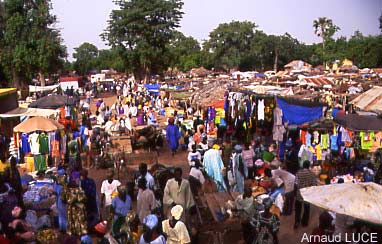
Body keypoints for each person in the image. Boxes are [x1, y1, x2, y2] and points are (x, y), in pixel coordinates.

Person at [294, 160, 317, 229]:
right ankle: (305, 223)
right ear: (309, 166)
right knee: (307, 209)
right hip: (307, 195)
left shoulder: (298, 173)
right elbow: (314, 185)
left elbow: (296, 184)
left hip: (299, 194)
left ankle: (297, 222)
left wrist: (295, 192)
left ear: (303, 165)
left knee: (298, 209)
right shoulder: (312, 174)